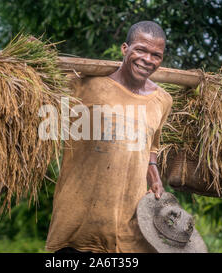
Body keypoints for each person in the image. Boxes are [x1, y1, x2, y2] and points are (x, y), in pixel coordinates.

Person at [45, 21, 173, 253]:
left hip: (128, 234)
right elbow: (40, 92)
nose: (147, 59)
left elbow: (151, 145)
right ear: (125, 49)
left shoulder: (162, 100)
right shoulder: (84, 85)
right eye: (141, 50)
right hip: (77, 228)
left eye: (156, 55)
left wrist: (154, 174)